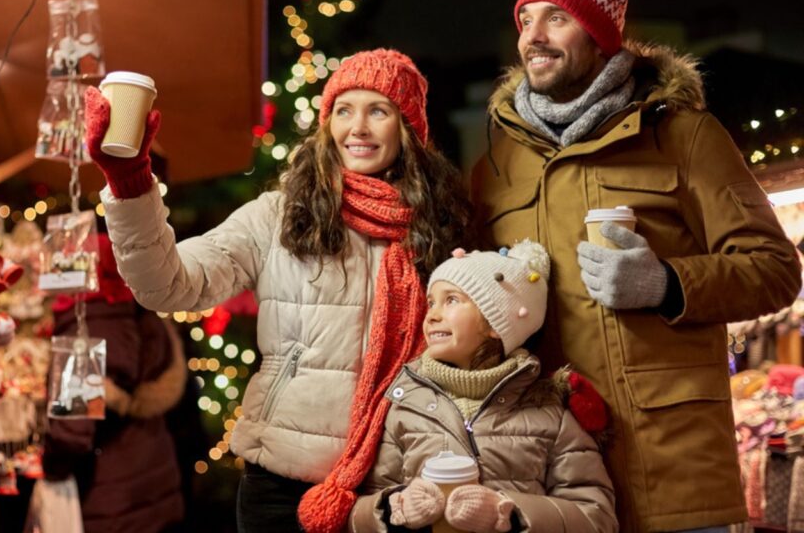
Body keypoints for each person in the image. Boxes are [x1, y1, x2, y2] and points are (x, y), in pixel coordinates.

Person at [471, 0, 803, 531]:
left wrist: (665, 284)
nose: (535, 37)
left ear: (600, 36)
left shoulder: (683, 134)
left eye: (557, 19)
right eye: (526, 20)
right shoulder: (497, 165)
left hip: (673, 470)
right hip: (552, 481)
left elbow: (775, 268)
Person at [84, 48, 473, 533]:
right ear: (326, 122)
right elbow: (168, 285)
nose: (359, 127)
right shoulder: (278, 216)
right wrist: (130, 183)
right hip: (281, 486)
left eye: (379, 111)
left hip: (394, 487)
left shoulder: (439, 227)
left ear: (408, 129)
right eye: (344, 110)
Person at [350, 241, 617, 533]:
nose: (432, 315)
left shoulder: (550, 412)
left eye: (451, 300)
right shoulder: (404, 404)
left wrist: (510, 515)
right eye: (432, 302)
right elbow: (358, 511)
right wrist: (393, 508)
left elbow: (597, 517)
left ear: (495, 323)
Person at [42, 233, 188, 533]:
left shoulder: (84, 324)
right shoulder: (140, 311)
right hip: (153, 479)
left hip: (110, 498)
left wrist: (50, 467)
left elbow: (72, 432)